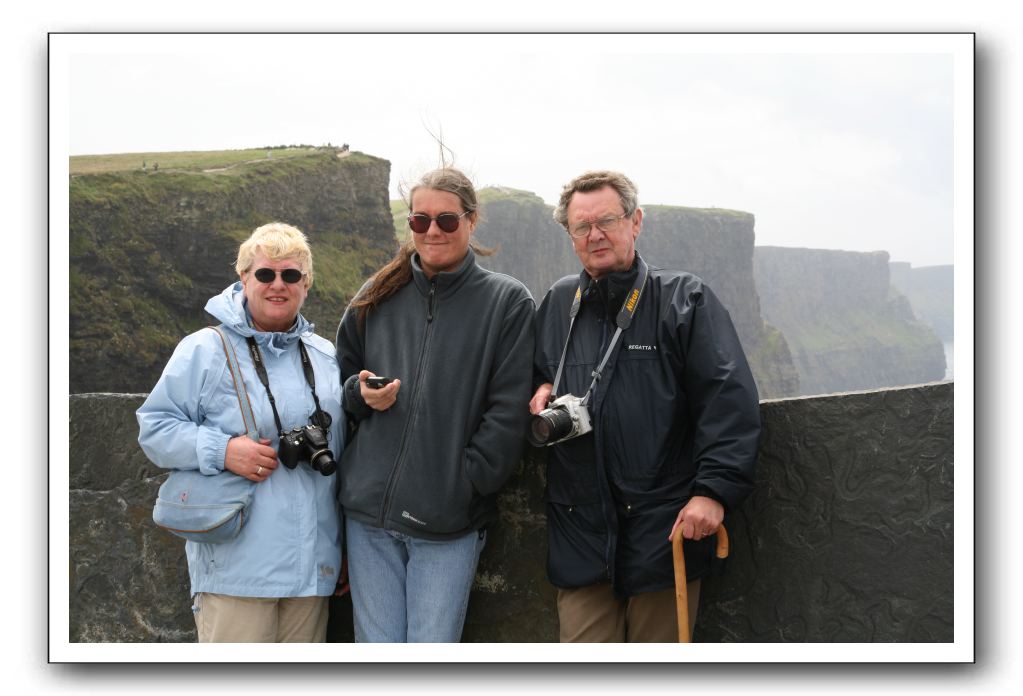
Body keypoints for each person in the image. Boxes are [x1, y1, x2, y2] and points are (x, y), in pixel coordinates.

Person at [530, 171, 761, 642]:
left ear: (636, 222)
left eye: (607, 220)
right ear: (569, 234)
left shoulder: (683, 300)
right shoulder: (557, 303)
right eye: (581, 226)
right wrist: (538, 385)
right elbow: (533, 373)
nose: (595, 235)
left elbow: (728, 401)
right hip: (580, 531)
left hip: (663, 531)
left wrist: (713, 491)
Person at [335, 166, 534, 642]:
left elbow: (508, 412)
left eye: (446, 220)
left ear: (470, 221)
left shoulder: (507, 302)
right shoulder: (376, 294)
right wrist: (358, 395)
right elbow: (340, 380)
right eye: (419, 221)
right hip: (369, 519)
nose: (432, 231)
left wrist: (464, 483)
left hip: (446, 524)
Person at [137, 222, 344, 642]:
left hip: (312, 574)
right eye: (265, 274)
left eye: (291, 275)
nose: (277, 285)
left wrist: (341, 553)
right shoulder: (205, 349)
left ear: (306, 284)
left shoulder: (325, 356)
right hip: (237, 572)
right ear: (244, 277)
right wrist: (224, 449)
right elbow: (154, 428)